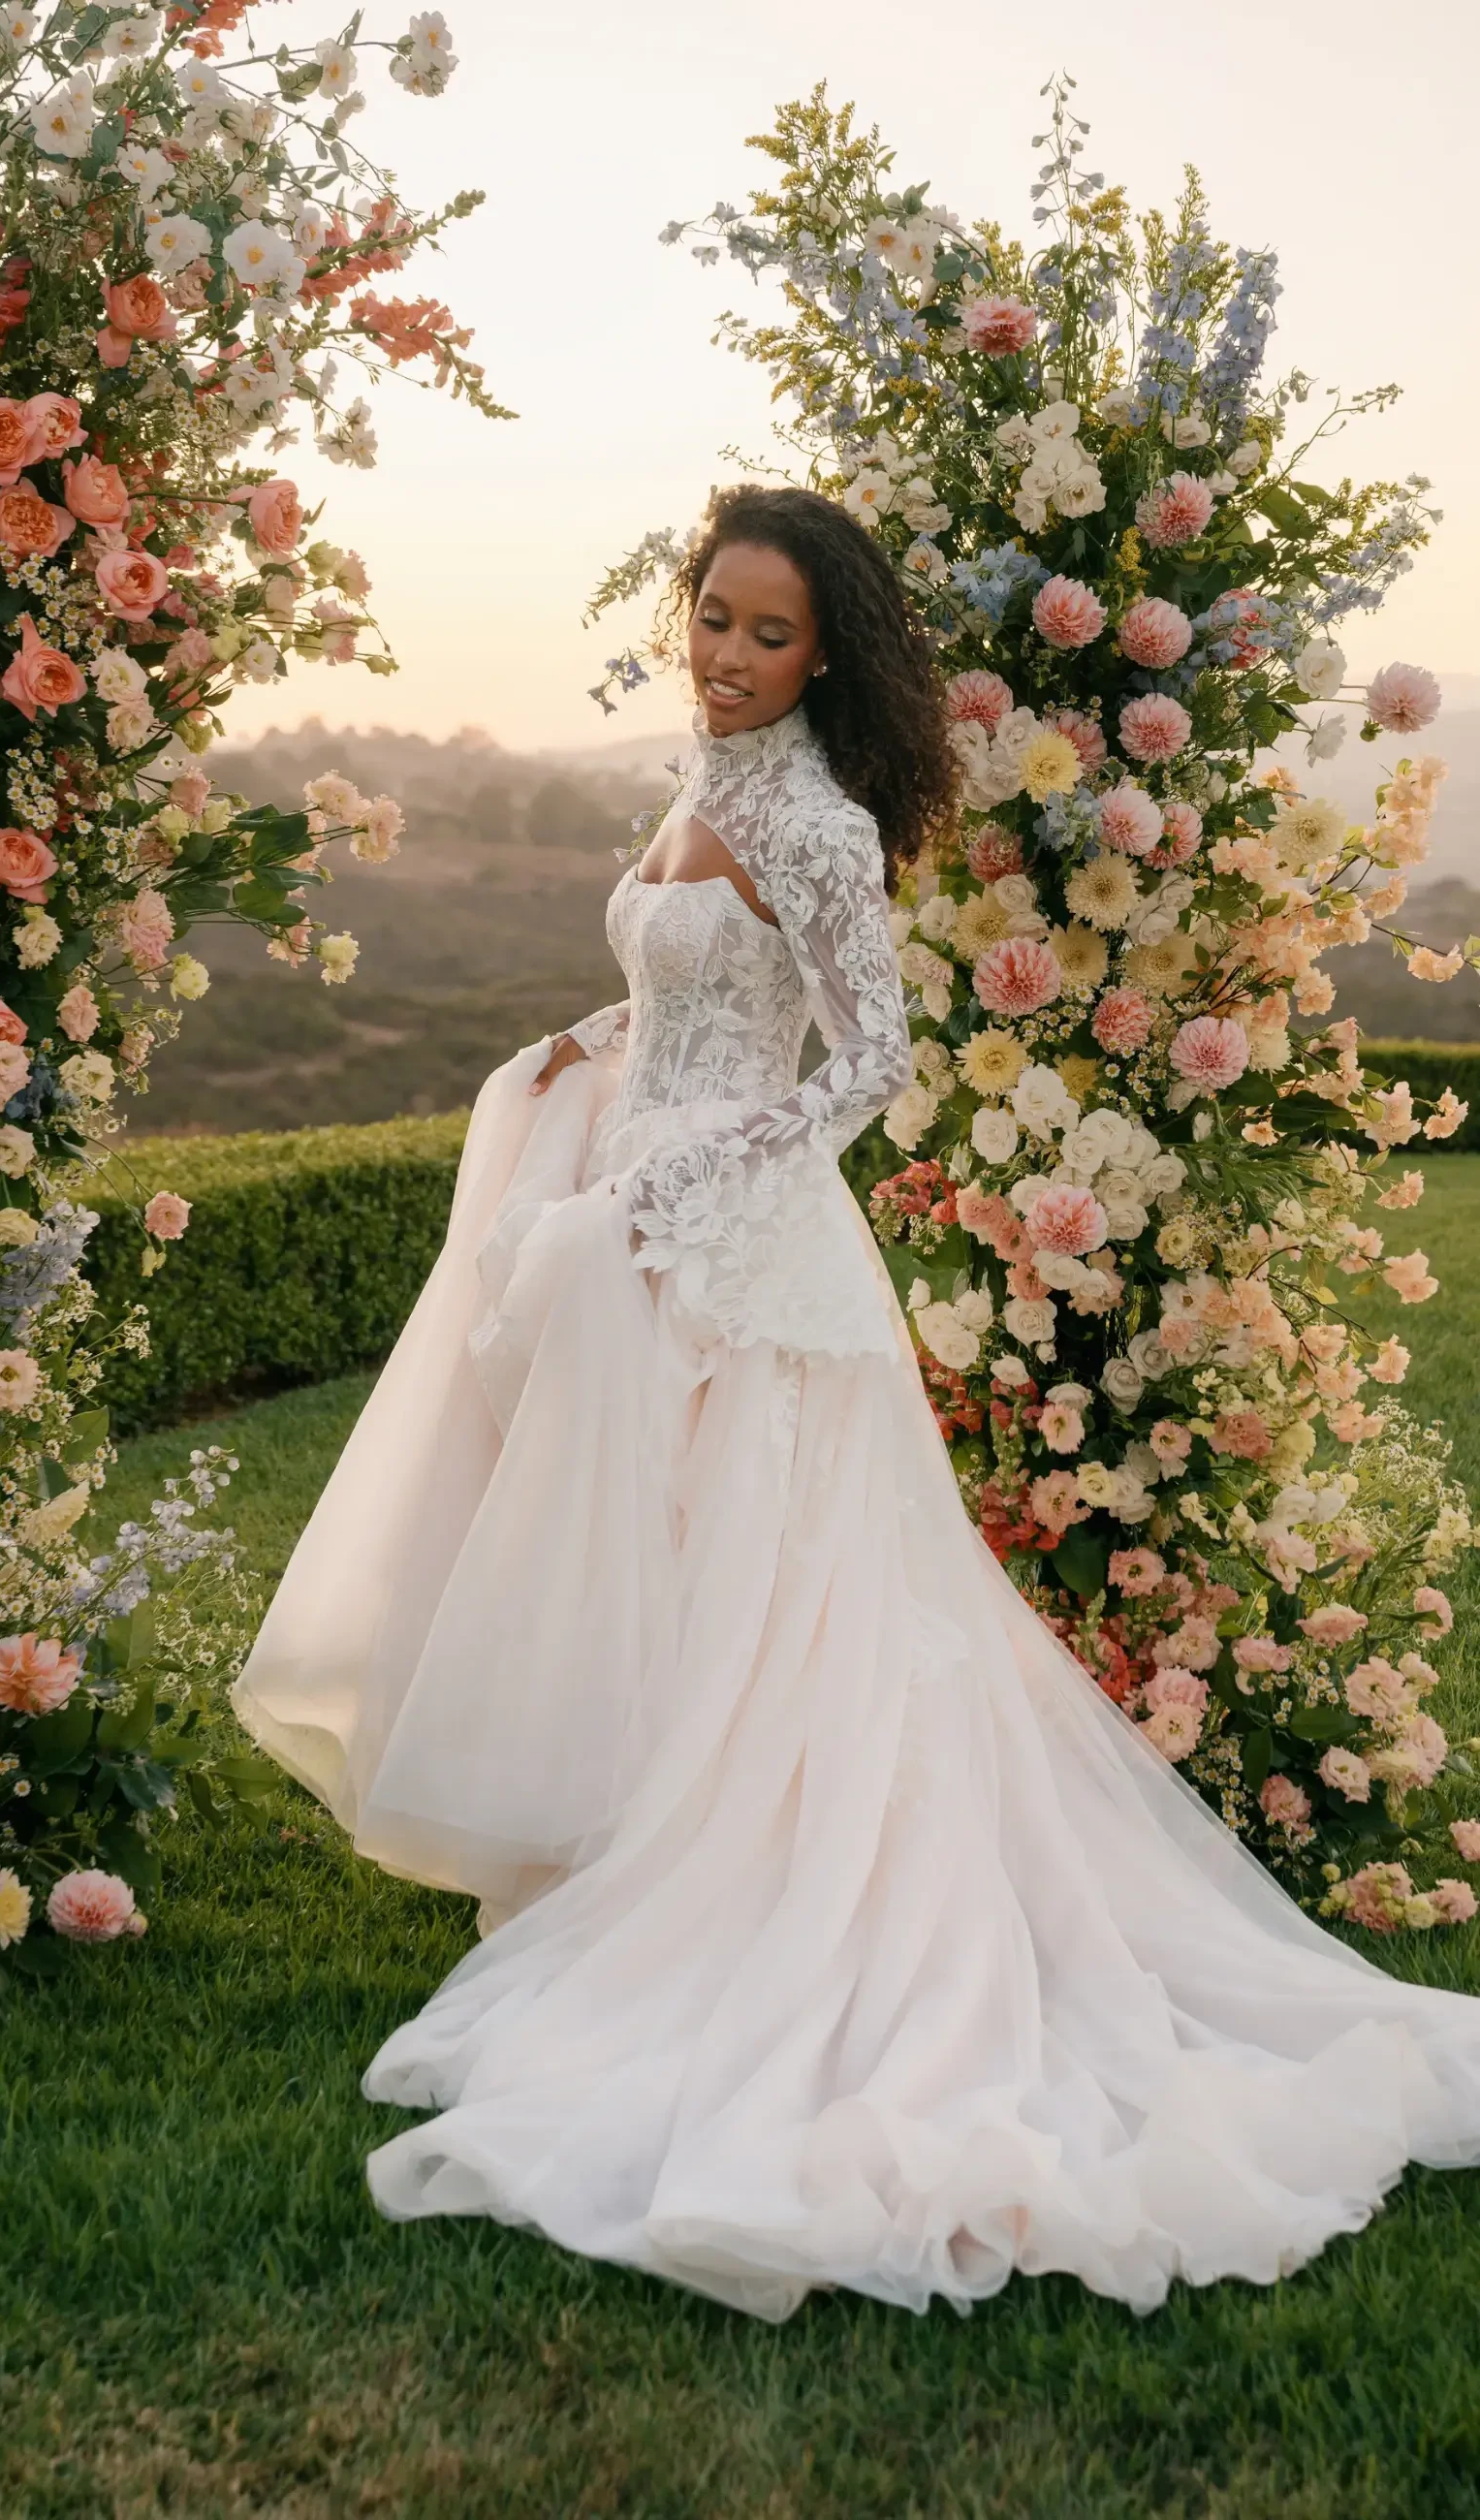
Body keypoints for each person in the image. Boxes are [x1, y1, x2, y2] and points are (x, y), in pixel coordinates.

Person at [234, 484, 1480, 2321]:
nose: (728, 659)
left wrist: (678, 1185)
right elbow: (674, 998)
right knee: (635, 1552)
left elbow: (871, 1066)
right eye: (714, 619)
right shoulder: (695, 781)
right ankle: (611, 1854)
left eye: (768, 636)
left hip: (731, 1239)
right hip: (626, 1194)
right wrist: (583, 1057)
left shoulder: (814, 822)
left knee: (762, 1574)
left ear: (825, 657)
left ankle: (754, 1911)